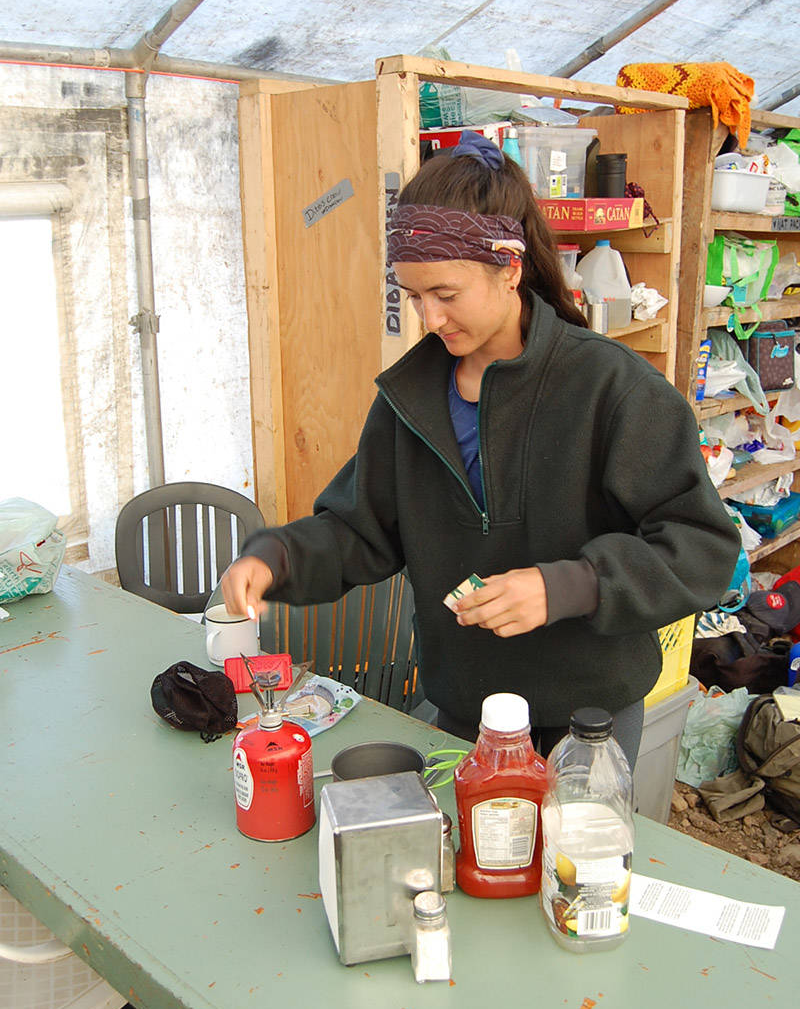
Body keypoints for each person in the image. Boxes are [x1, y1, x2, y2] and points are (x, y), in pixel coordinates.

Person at [221, 130, 740, 767]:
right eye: (413, 297)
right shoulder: (410, 399)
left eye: (446, 294)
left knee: (574, 866)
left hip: (589, 723)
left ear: (510, 269)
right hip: (464, 712)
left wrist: (569, 586)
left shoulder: (612, 388)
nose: (430, 319)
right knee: (468, 860)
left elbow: (701, 550)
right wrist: (276, 556)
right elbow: (362, 530)